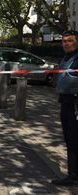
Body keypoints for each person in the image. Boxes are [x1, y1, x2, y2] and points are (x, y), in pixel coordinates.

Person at [52, 30, 78, 186]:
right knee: (70, 139)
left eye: (70, 40)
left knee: (73, 139)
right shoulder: (67, 57)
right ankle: (73, 173)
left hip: (75, 103)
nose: (66, 43)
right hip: (66, 102)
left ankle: (73, 175)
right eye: (64, 41)